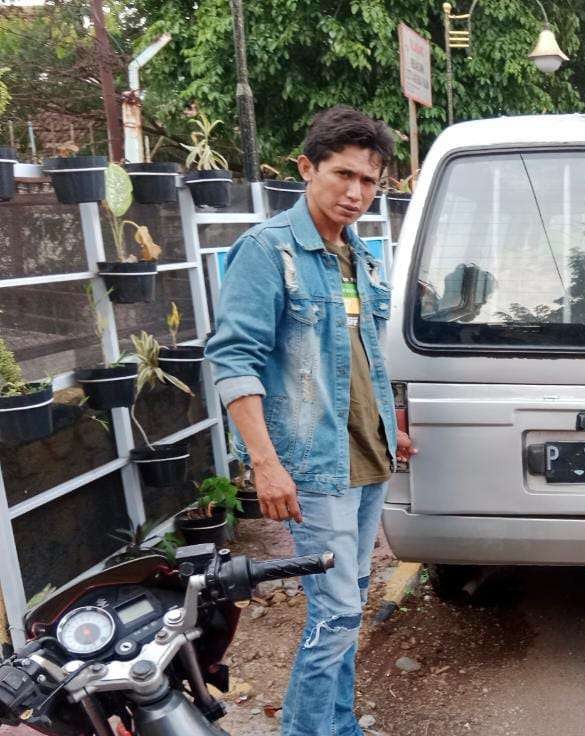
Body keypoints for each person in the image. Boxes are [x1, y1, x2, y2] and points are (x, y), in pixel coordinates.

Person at [205, 105, 416, 736]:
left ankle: (340, 725)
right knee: (337, 612)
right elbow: (232, 359)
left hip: (367, 459)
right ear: (307, 168)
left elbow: (363, 355)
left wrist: (389, 424)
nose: (355, 193)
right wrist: (264, 464)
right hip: (313, 468)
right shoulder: (267, 252)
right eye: (342, 175)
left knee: (344, 607)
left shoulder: (360, 257)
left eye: (369, 181)